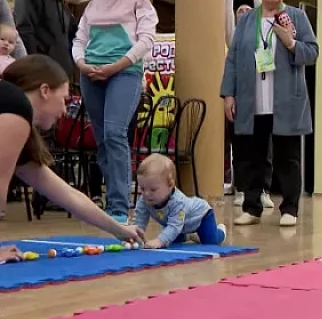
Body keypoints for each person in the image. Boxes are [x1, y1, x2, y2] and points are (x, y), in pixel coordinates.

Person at [0, 55, 143, 263]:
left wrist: (119, 230)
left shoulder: (14, 117)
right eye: (64, 99)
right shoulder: (16, 106)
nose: (65, 110)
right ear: (45, 91)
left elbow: (66, 194)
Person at [221, 0, 318, 227]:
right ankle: (252, 206)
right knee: (251, 156)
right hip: (252, 100)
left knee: (288, 157)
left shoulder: (296, 17)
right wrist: (229, 94)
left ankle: (290, 208)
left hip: (284, 101)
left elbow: (312, 52)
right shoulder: (246, 20)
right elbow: (232, 59)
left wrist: (291, 43)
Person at [72, 0, 158, 225]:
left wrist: (118, 65)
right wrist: (82, 64)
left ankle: (119, 206)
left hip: (125, 73)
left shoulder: (141, 4)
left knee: (114, 133)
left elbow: (146, 39)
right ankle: (110, 204)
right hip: (90, 75)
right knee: (102, 140)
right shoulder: (92, 6)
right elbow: (80, 40)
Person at [131, 154, 227, 249]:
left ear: (170, 185)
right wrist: (134, 236)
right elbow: (139, 219)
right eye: (143, 188)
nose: (146, 194)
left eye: (153, 189)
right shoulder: (144, 200)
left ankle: (220, 231)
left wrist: (159, 241)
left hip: (202, 217)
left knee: (210, 243)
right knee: (174, 242)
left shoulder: (177, 202)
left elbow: (174, 226)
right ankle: (189, 235)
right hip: (180, 225)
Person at [13, 0, 74, 75]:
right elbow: (24, 30)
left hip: (61, 68)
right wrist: (35, 63)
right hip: (42, 68)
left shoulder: (59, 4)